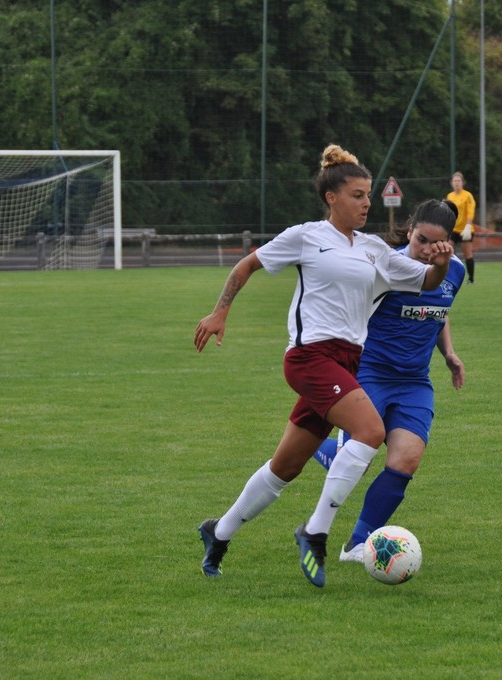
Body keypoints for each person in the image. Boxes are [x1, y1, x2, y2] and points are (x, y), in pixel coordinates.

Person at [193, 144, 454, 588]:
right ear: (331, 198)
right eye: (357, 194)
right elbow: (248, 265)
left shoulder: (374, 249)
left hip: (346, 364)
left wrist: (441, 263)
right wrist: (220, 311)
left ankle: (218, 533)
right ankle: (314, 532)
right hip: (310, 357)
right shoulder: (306, 236)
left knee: (285, 467)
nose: (367, 203)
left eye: (369, 194)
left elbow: (424, 280)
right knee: (371, 432)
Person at [310, 198, 466, 562]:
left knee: (406, 460)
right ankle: (321, 447)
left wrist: (450, 354)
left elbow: (439, 313)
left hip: (414, 382)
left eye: (436, 244)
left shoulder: (453, 271)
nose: (427, 251)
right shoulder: (383, 266)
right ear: (409, 230)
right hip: (369, 374)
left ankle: (357, 544)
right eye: (421, 240)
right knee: (357, 459)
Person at [446, 171, 477, 284]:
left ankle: (471, 278)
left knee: (467, 254)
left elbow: (470, 211)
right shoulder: (450, 196)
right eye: (455, 181)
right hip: (454, 229)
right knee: (446, 250)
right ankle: (446, 275)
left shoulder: (467, 195)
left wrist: (468, 226)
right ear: (451, 183)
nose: (457, 183)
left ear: (462, 182)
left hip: (465, 230)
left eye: (459, 181)